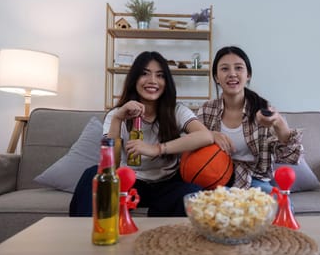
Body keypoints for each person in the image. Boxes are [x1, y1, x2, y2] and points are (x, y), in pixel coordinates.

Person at [70, 51, 213, 217]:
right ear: (134, 80)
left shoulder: (177, 110)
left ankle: (168, 240)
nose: (152, 81)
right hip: (128, 181)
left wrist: (157, 149)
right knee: (92, 174)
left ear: (166, 82)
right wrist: (118, 119)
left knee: (194, 192)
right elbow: (111, 165)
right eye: (145, 74)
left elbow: (206, 136)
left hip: (166, 184)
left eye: (160, 76)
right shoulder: (117, 114)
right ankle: (82, 236)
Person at [197, 46, 302, 193]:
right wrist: (211, 135)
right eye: (225, 69)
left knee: (279, 204)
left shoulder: (263, 108)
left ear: (248, 75)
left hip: (255, 180)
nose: (232, 74)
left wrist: (277, 121)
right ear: (216, 77)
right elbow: (193, 147)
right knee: (193, 200)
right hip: (216, 179)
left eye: (239, 68)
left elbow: (289, 155)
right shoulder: (207, 110)